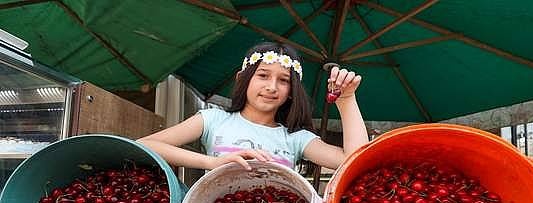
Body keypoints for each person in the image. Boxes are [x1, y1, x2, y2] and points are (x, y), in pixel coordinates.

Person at [138, 42, 369, 171]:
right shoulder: (213, 119)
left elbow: (356, 160)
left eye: (283, 80)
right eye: (263, 75)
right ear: (242, 79)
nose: (272, 87)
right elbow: (145, 145)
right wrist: (211, 162)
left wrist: (346, 100)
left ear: (291, 92)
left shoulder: (295, 138)